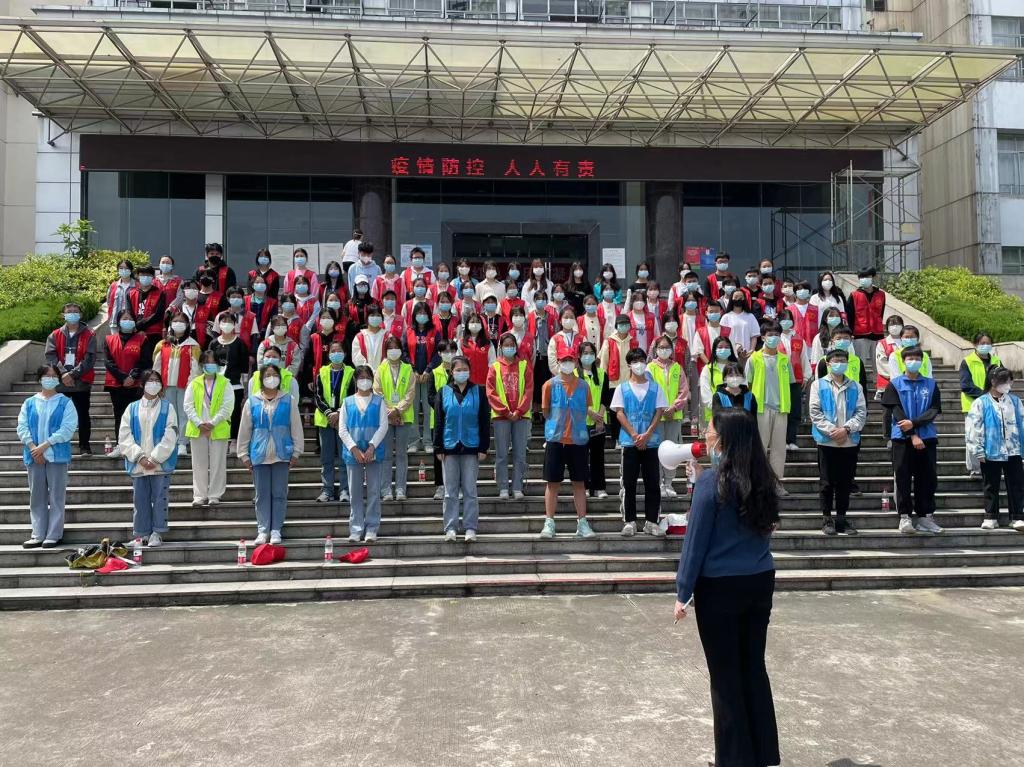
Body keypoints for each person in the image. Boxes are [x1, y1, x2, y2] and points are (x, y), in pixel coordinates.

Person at [674, 408, 780, 767]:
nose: (706, 434)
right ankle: (761, 753)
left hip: (719, 588)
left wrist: (683, 591)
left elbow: (695, 542)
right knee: (753, 667)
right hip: (759, 580)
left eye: (710, 429)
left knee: (724, 676)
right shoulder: (764, 478)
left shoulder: (711, 483)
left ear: (724, 439)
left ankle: (733, 760)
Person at [238, 364, 304, 544]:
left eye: (274, 374)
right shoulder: (252, 401)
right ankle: (263, 529)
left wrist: (297, 451)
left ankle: (276, 529)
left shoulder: (288, 400)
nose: (271, 378)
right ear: (261, 379)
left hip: (282, 453)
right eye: (267, 375)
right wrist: (243, 454)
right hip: (259, 454)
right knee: (261, 494)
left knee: (279, 493)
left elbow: (296, 426)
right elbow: (245, 429)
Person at [539, 349, 600, 538]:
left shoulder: (583, 386)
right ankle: (549, 522)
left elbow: (586, 408)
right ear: (558, 362)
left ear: (575, 362)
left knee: (579, 482)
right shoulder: (549, 385)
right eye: (563, 360)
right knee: (552, 483)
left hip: (577, 439)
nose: (567, 363)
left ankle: (582, 523)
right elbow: (546, 412)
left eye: (570, 360)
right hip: (556, 439)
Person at [883, 345, 943, 535]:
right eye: (910, 358)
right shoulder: (894, 384)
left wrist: (915, 423)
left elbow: (934, 410)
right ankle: (905, 516)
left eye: (917, 358)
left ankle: (925, 516)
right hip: (902, 439)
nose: (914, 361)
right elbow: (896, 411)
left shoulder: (931, 384)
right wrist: (912, 434)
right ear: (903, 361)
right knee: (902, 477)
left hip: (927, 437)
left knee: (927, 478)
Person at [17, 365, 78, 548]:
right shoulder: (29, 403)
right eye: (46, 375)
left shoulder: (66, 402)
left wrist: (44, 446)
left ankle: (54, 534)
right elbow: (22, 427)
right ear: (39, 379)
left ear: (58, 379)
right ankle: (37, 533)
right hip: (34, 455)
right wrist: (33, 448)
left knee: (57, 496)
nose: (50, 379)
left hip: (57, 455)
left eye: (53, 376)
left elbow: (67, 429)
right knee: (36, 496)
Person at [810, 349, 867, 536]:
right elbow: (815, 412)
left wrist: (847, 429)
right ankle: (827, 518)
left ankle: (841, 518)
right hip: (827, 441)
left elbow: (861, 412)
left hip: (849, 440)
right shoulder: (818, 385)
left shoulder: (855, 386)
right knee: (826, 482)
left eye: (843, 360)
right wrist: (832, 431)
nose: (839, 363)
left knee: (845, 482)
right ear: (828, 363)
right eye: (836, 360)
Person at [119, 370, 178, 547]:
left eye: (156, 380)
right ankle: (141, 534)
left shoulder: (168, 408)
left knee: (160, 498)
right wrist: (139, 457)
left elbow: (171, 435)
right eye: (150, 380)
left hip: (160, 464)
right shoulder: (132, 408)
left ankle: (157, 533)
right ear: (142, 384)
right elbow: (125, 435)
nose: (153, 384)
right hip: (139, 464)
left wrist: (155, 458)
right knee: (140, 499)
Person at [434, 356, 490, 541]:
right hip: (449, 446)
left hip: (471, 446)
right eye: (458, 370)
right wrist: (438, 447)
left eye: (465, 369)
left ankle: (470, 527)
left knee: (470, 490)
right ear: (452, 372)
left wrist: (484, 447)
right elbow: (439, 421)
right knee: (450, 491)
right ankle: (450, 527)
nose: (461, 372)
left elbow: (484, 420)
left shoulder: (478, 391)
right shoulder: (443, 392)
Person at [614, 348, 666, 536]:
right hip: (630, 443)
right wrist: (635, 435)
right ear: (629, 365)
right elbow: (619, 413)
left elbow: (659, 411)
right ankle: (630, 521)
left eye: (642, 360)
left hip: (651, 443)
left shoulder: (655, 387)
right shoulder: (622, 388)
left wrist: (647, 434)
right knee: (629, 484)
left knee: (653, 483)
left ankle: (652, 521)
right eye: (635, 361)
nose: (639, 364)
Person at [966, 366, 1024, 532]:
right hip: (991, 451)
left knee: (1016, 484)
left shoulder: (1015, 401)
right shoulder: (981, 403)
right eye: (1005, 381)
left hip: (1013, 450)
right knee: (990, 485)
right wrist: (977, 449)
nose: (1008, 385)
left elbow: (1022, 423)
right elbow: (973, 427)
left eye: (1010, 381)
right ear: (993, 382)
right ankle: (991, 517)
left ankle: (1017, 517)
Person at [340, 365, 389, 542]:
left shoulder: (379, 401)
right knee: (355, 492)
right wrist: (353, 448)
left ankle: (372, 528)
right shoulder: (347, 402)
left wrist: (371, 447)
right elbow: (342, 429)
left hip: (373, 452)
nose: (364, 381)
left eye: (367, 377)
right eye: (361, 378)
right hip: (353, 454)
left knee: (374, 491)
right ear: (355, 380)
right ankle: (356, 528)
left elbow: (383, 426)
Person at [745, 320, 792, 493]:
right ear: (763, 337)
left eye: (777, 335)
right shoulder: (754, 358)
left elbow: (791, 383)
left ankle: (776, 483)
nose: (774, 338)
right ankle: (757, 483)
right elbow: (747, 384)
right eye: (770, 334)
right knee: (760, 448)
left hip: (781, 409)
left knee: (779, 449)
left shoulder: (784, 359)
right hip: (760, 409)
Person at [183, 350, 235, 507]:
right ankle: (199, 495)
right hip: (197, 429)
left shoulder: (225, 383)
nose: (210, 365)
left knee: (218, 464)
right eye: (206, 362)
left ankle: (215, 495)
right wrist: (199, 423)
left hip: (218, 428)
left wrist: (212, 423)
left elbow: (227, 407)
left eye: (213, 362)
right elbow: (188, 406)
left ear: (217, 364)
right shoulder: (194, 383)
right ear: (201, 364)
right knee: (198, 464)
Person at [44, 302, 96, 456]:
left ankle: (84, 446)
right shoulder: (55, 335)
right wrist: (63, 374)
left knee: (83, 415)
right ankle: (56, 446)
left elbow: (89, 359)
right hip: (61, 383)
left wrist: (72, 374)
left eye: (75, 311)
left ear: (80, 315)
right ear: (63, 315)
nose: (72, 314)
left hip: (81, 382)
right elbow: (50, 356)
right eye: (69, 311)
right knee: (58, 416)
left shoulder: (89, 334)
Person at [487, 333, 533, 500]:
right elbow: (491, 392)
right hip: (501, 416)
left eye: (511, 345)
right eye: (506, 345)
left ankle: (517, 487)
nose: (509, 348)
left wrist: (519, 411)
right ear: (500, 347)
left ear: (516, 347)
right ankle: (503, 487)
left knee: (520, 453)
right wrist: (505, 411)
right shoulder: (495, 367)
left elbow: (528, 390)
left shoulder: (524, 365)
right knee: (501, 454)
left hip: (521, 416)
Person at [312, 340, 355, 503]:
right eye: (333, 351)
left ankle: (344, 490)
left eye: (339, 350)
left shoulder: (351, 372)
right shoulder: (321, 372)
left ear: (344, 353)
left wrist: (338, 413)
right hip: (325, 421)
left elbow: (352, 396)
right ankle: (327, 490)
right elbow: (317, 396)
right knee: (326, 458)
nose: (336, 353)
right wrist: (329, 413)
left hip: (344, 420)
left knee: (344, 457)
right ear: (329, 354)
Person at [153, 312, 200, 455]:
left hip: (184, 386)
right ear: (171, 324)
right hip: (166, 386)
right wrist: (157, 385)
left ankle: (182, 443)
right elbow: (157, 366)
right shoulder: (163, 344)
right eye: (175, 321)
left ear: (187, 325)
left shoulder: (193, 346)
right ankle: (170, 441)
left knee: (184, 414)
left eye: (182, 321)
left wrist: (191, 385)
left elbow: (195, 368)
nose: (178, 324)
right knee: (168, 414)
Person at [375, 336, 415, 501]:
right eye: (390, 348)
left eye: (396, 347)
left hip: (404, 416)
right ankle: (385, 490)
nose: (393, 351)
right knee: (386, 455)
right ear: (386, 351)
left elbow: (410, 393)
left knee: (401, 454)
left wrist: (397, 410)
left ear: (401, 350)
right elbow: (377, 392)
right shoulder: (380, 369)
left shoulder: (408, 368)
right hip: (385, 417)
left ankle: (400, 489)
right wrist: (389, 412)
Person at [648, 334, 688, 497]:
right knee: (657, 449)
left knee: (672, 450)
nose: (664, 350)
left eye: (667, 347)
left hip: (674, 415)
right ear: (656, 349)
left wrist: (674, 407)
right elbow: (648, 391)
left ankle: (669, 483)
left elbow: (684, 391)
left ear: (672, 349)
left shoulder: (677, 367)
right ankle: (659, 483)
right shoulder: (650, 368)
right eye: (661, 347)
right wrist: (662, 408)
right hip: (656, 416)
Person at [103, 310, 146, 457]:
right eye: (124, 318)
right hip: (116, 384)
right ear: (118, 321)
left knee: (136, 416)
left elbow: (144, 361)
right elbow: (108, 362)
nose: (127, 321)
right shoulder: (109, 339)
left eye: (130, 318)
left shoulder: (142, 339)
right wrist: (123, 378)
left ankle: (137, 445)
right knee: (119, 415)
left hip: (135, 384)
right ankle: (120, 445)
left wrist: (133, 376)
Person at [208, 311, 250, 450]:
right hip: (216, 385)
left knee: (234, 413)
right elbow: (209, 363)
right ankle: (220, 438)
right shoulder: (214, 343)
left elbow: (244, 368)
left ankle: (233, 440)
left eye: (230, 321)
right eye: (224, 321)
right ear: (219, 324)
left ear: (234, 324)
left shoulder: (240, 344)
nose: (226, 324)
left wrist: (244, 387)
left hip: (235, 385)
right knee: (217, 412)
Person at [960, 332, 1001, 477]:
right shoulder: (967, 361)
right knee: (973, 436)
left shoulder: (996, 361)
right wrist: (985, 396)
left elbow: (1003, 380)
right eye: (982, 343)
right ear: (975, 344)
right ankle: (975, 468)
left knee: (992, 435)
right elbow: (966, 385)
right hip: (972, 405)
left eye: (988, 343)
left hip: (993, 405)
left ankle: (992, 465)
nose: (985, 346)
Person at [578, 341, 609, 499]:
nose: (588, 356)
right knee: (581, 457)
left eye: (591, 353)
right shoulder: (574, 375)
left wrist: (599, 418)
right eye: (585, 353)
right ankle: (584, 486)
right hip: (580, 423)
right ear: (579, 356)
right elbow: (574, 398)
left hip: (598, 423)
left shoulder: (602, 374)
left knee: (598, 456)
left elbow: (605, 397)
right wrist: (589, 412)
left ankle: (599, 487)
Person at [778, 308, 811, 451]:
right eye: (783, 319)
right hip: (779, 381)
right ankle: (781, 440)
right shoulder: (775, 338)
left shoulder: (798, 339)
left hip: (795, 379)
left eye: (788, 319)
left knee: (794, 410)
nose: (786, 322)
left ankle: (792, 440)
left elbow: (804, 358)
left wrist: (806, 377)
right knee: (781, 411)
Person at [426, 340, 456, 500]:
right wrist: (442, 407)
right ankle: (440, 485)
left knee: (455, 453)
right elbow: (430, 396)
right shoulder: (434, 373)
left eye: (452, 351)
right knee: (438, 454)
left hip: (455, 419)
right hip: (437, 421)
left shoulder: (459, 371)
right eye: (445, 351)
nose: (448, 354)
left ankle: (455, 485)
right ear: (439, 353)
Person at [846, 267, 886, 378]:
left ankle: (879, 385)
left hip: (877, 334)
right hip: (860, 335)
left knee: (879, 364)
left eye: (867, 276)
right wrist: (851, 333)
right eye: (861, 277)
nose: (864, 279)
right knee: (860, 363)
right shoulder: (854, 295)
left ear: (873, 277)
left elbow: (881, 313)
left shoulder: (881, 295)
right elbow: (850, 315)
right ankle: (860, 383)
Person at [128, 264, 167, 364]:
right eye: (142, 275)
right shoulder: (131, 293)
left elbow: (158, 315)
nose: (145, 277)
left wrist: (139, 326)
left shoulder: (160, 293)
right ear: (137, 276)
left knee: (152, 362)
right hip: (135, 333)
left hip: (153, 333)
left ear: (153, 277)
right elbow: (129, 313)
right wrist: (135, 328)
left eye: (148, 275)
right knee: (136, 361)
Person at [701, 337, 739, 421]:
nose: (723, 349)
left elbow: (743, 388)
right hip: (714, 416)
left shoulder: (737, 368)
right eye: (720, 347)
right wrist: (720, 409)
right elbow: (705, 395)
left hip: (735, 415)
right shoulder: (708, 369)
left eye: (727, 347)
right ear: (715, 350)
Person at [721, 291, 760, 364]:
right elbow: (723, 337)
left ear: (744, 299)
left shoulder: (750, 316)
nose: (738, 299)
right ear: (731, 299)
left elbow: (754, 336)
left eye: (741, 297)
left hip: (747, 355)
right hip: (731, 355)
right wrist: (735, 347)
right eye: (736, 297)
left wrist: (752, 349)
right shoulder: (726, 317)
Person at [874, 314, 904, 403]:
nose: (895, 327)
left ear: (902, 326)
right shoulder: (882, 343)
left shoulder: (906, 342)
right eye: (892, 324)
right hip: (887, 382)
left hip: (906, 380)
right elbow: (882, 363)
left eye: (897, 324)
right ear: (887, 327)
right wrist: (896, 375)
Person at [458, 312, 495, 386]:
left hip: (484, 383)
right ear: (467, 325)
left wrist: (490, 380)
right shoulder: (461, 343)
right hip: (467, 383)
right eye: (472, 322)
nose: (475, 324)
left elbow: (492, 363)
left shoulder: (488, 343)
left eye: (478, 322)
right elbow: (459, 362)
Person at [351, 304, 387, 369]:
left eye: (378, 315)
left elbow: (389, 357)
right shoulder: (359, 337)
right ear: (367, 317)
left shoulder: (388, 336)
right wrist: (369, 371)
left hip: (384, 373)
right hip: (365, 373)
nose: (375, 318)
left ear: (382, 318)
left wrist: (380, 371)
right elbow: (357, 358)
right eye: (372, 315)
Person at [107, 259, 136, 334]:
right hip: (115, 322)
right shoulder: (114, 285)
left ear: (131, 270)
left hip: (131, 322)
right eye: (121, 268)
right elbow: (109, 303)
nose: (124, 270)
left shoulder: (137, 285)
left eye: (126, 268)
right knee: (116, 341)